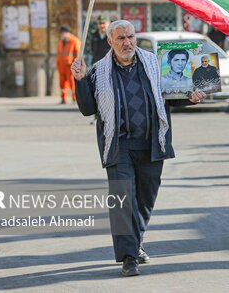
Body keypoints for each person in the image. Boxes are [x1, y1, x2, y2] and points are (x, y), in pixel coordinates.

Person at [71, 20, 205, 277]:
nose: (127, 42)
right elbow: (88, 108)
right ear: (110, 41)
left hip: (152, 144)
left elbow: (172, 97)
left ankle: (135, 243)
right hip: (119, 145)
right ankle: (129, 257)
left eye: (130, 36)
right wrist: (79, 80)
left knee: (144, 201)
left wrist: (191, 98)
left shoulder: (155, 64)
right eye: (120, 38)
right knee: (122, 200)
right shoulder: (98, 71)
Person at [56, 25, 80, 104]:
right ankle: (63, 98)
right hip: (62, 66)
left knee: (72, 83)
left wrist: (76, 66)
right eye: (61, 34)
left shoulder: (74, 41)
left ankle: (75, 98)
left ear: (67, 33)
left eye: (63, 33)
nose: (61, 35)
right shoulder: (60, 42)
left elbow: (78, 54)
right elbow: (59, 54)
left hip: (70, 66)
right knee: (62, 83)